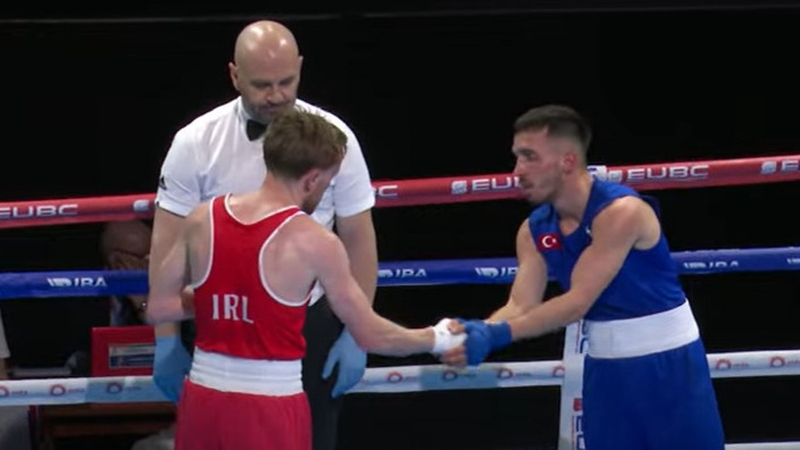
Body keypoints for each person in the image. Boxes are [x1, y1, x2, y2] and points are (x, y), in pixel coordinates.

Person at [146, 109, 465, 450]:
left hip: (203, 399)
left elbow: (159, 308)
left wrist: (218, 300)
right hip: (269, 405)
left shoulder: (201, 218)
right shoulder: (315, 242)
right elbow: (371, 334)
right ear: (312, 180)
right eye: (328, 182)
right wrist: (437, 338)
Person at [149, 20, 378, 450]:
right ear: (235, 75)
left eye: (285, 81)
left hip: (305, 320)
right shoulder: (196, 142)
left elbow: (359, 237)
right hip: (220, 319)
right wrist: (164, 339)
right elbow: (166, 244)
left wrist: (356, 333)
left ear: (301, 68)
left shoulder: (335, 139)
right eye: (261, 84)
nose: (275, 95)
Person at [442, 105, 725, 449]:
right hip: (605, 370)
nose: (518, 170)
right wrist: (480, 331)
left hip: (669, 364)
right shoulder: (534, 231)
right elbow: (520, 303)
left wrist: (497, 335)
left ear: (568, 161)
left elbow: (577, 301)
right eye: (517, 158)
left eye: (529, 157)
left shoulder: (623, 212)